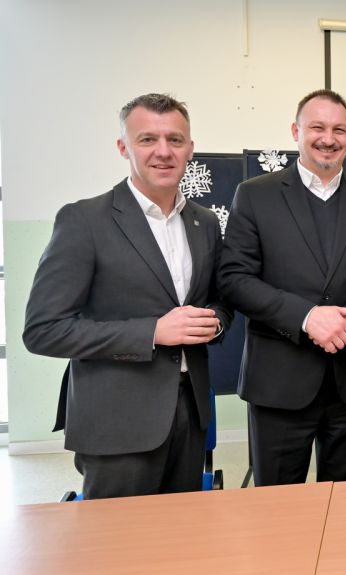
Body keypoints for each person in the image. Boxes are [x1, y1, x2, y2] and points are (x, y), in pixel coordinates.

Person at [23, 93, 232, 499]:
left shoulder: (204, 222)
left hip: (191, 414)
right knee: (116, 539)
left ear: (190, 148)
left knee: (182, 534)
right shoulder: (84, 220)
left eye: (175, 139)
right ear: (123, 147)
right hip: (115, 422)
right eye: (147, 139)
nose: (163, 151)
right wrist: (152, 332)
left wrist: (215, 323)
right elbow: (43, 330)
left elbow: (219, 301)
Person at [219, 89, 346, 485]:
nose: (328, 138)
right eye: (317, 127)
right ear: (296, 131)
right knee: (279, 508)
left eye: (339, 130)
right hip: (278, 384)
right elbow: (234, 278)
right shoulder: (254, 195)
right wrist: (306, 318)